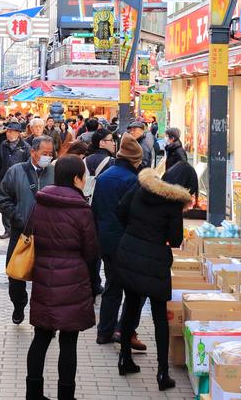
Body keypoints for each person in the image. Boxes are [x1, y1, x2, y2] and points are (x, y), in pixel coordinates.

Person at [26, 156, 99, 400]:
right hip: (73, 280)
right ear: (76, 179)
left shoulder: (40, 202)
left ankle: (33, 393)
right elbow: (91, 251)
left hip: (44, 276)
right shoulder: (82, 209)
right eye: (84, 176)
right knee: (69, 340)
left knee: (41, 336)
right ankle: (66, 395)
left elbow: (30, 232)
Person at [115, 166, 192, 389]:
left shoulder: (141, 188)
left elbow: (120, 210)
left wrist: (134, 232)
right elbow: (176, 239)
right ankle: (162, 374)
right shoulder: (173, 203)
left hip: (129, 253)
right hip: (155, 261)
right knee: (159, 316)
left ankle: (124, 359)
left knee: (130, 305)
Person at [91, 134, 147, 351]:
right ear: (135, 160)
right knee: (137, 289)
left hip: (106, 241)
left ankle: (104, 332)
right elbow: (135, 216)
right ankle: (123, 329)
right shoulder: (133, 181)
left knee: (113, 286)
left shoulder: (105, 177)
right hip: (127, 243)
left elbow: (95, 210)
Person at [0, 136, 55, 325]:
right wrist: (17, 217)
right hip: (20, 233)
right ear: (33, 152)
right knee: (15, 274)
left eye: (50, 153)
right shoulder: (16, 171)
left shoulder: (55, 172)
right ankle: (19, 305)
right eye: (44, 153)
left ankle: (44, 316)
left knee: (47, 278)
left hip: (48, 235)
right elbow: (2, 199)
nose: (48, 157)